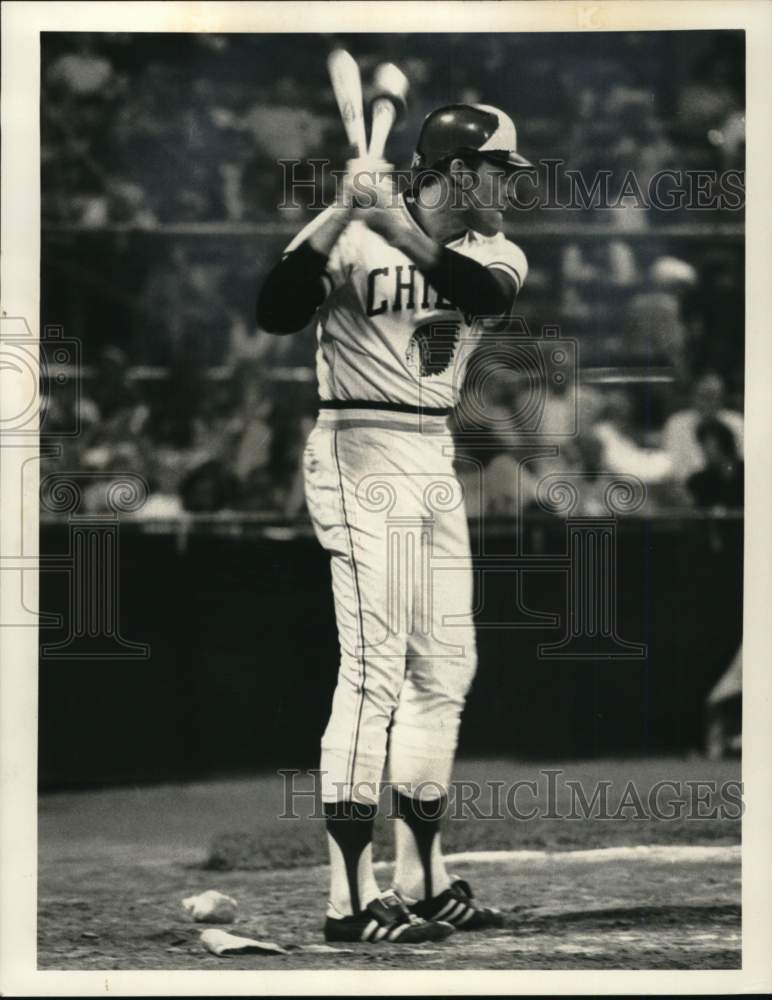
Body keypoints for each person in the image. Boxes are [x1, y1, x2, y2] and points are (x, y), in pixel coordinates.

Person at [257, 103, 531, 944]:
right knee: (374, 667)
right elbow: (275, 308)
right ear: (454, 171)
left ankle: (421, 877)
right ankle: (348, 898)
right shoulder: (352, 227)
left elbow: (480, 296)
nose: (510, 187)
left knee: (444, 667)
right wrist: (344, 208)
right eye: (498, 170)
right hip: (355, 443)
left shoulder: (493, 251)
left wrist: (391, 222)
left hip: (430, 452)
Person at [662, 372, 743, 483]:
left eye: (715, 396)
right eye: (704, 396)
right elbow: (673, 463)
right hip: (688, 486)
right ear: (693, 396)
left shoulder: (736, 422)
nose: (710, 402)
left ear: (723, 397)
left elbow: (741, 461)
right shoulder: (676, 423)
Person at [686, 417, 744, 510]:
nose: (703, 450)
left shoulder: (747, 472)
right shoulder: (698, 481)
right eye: (702, 445)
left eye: (708, 444)